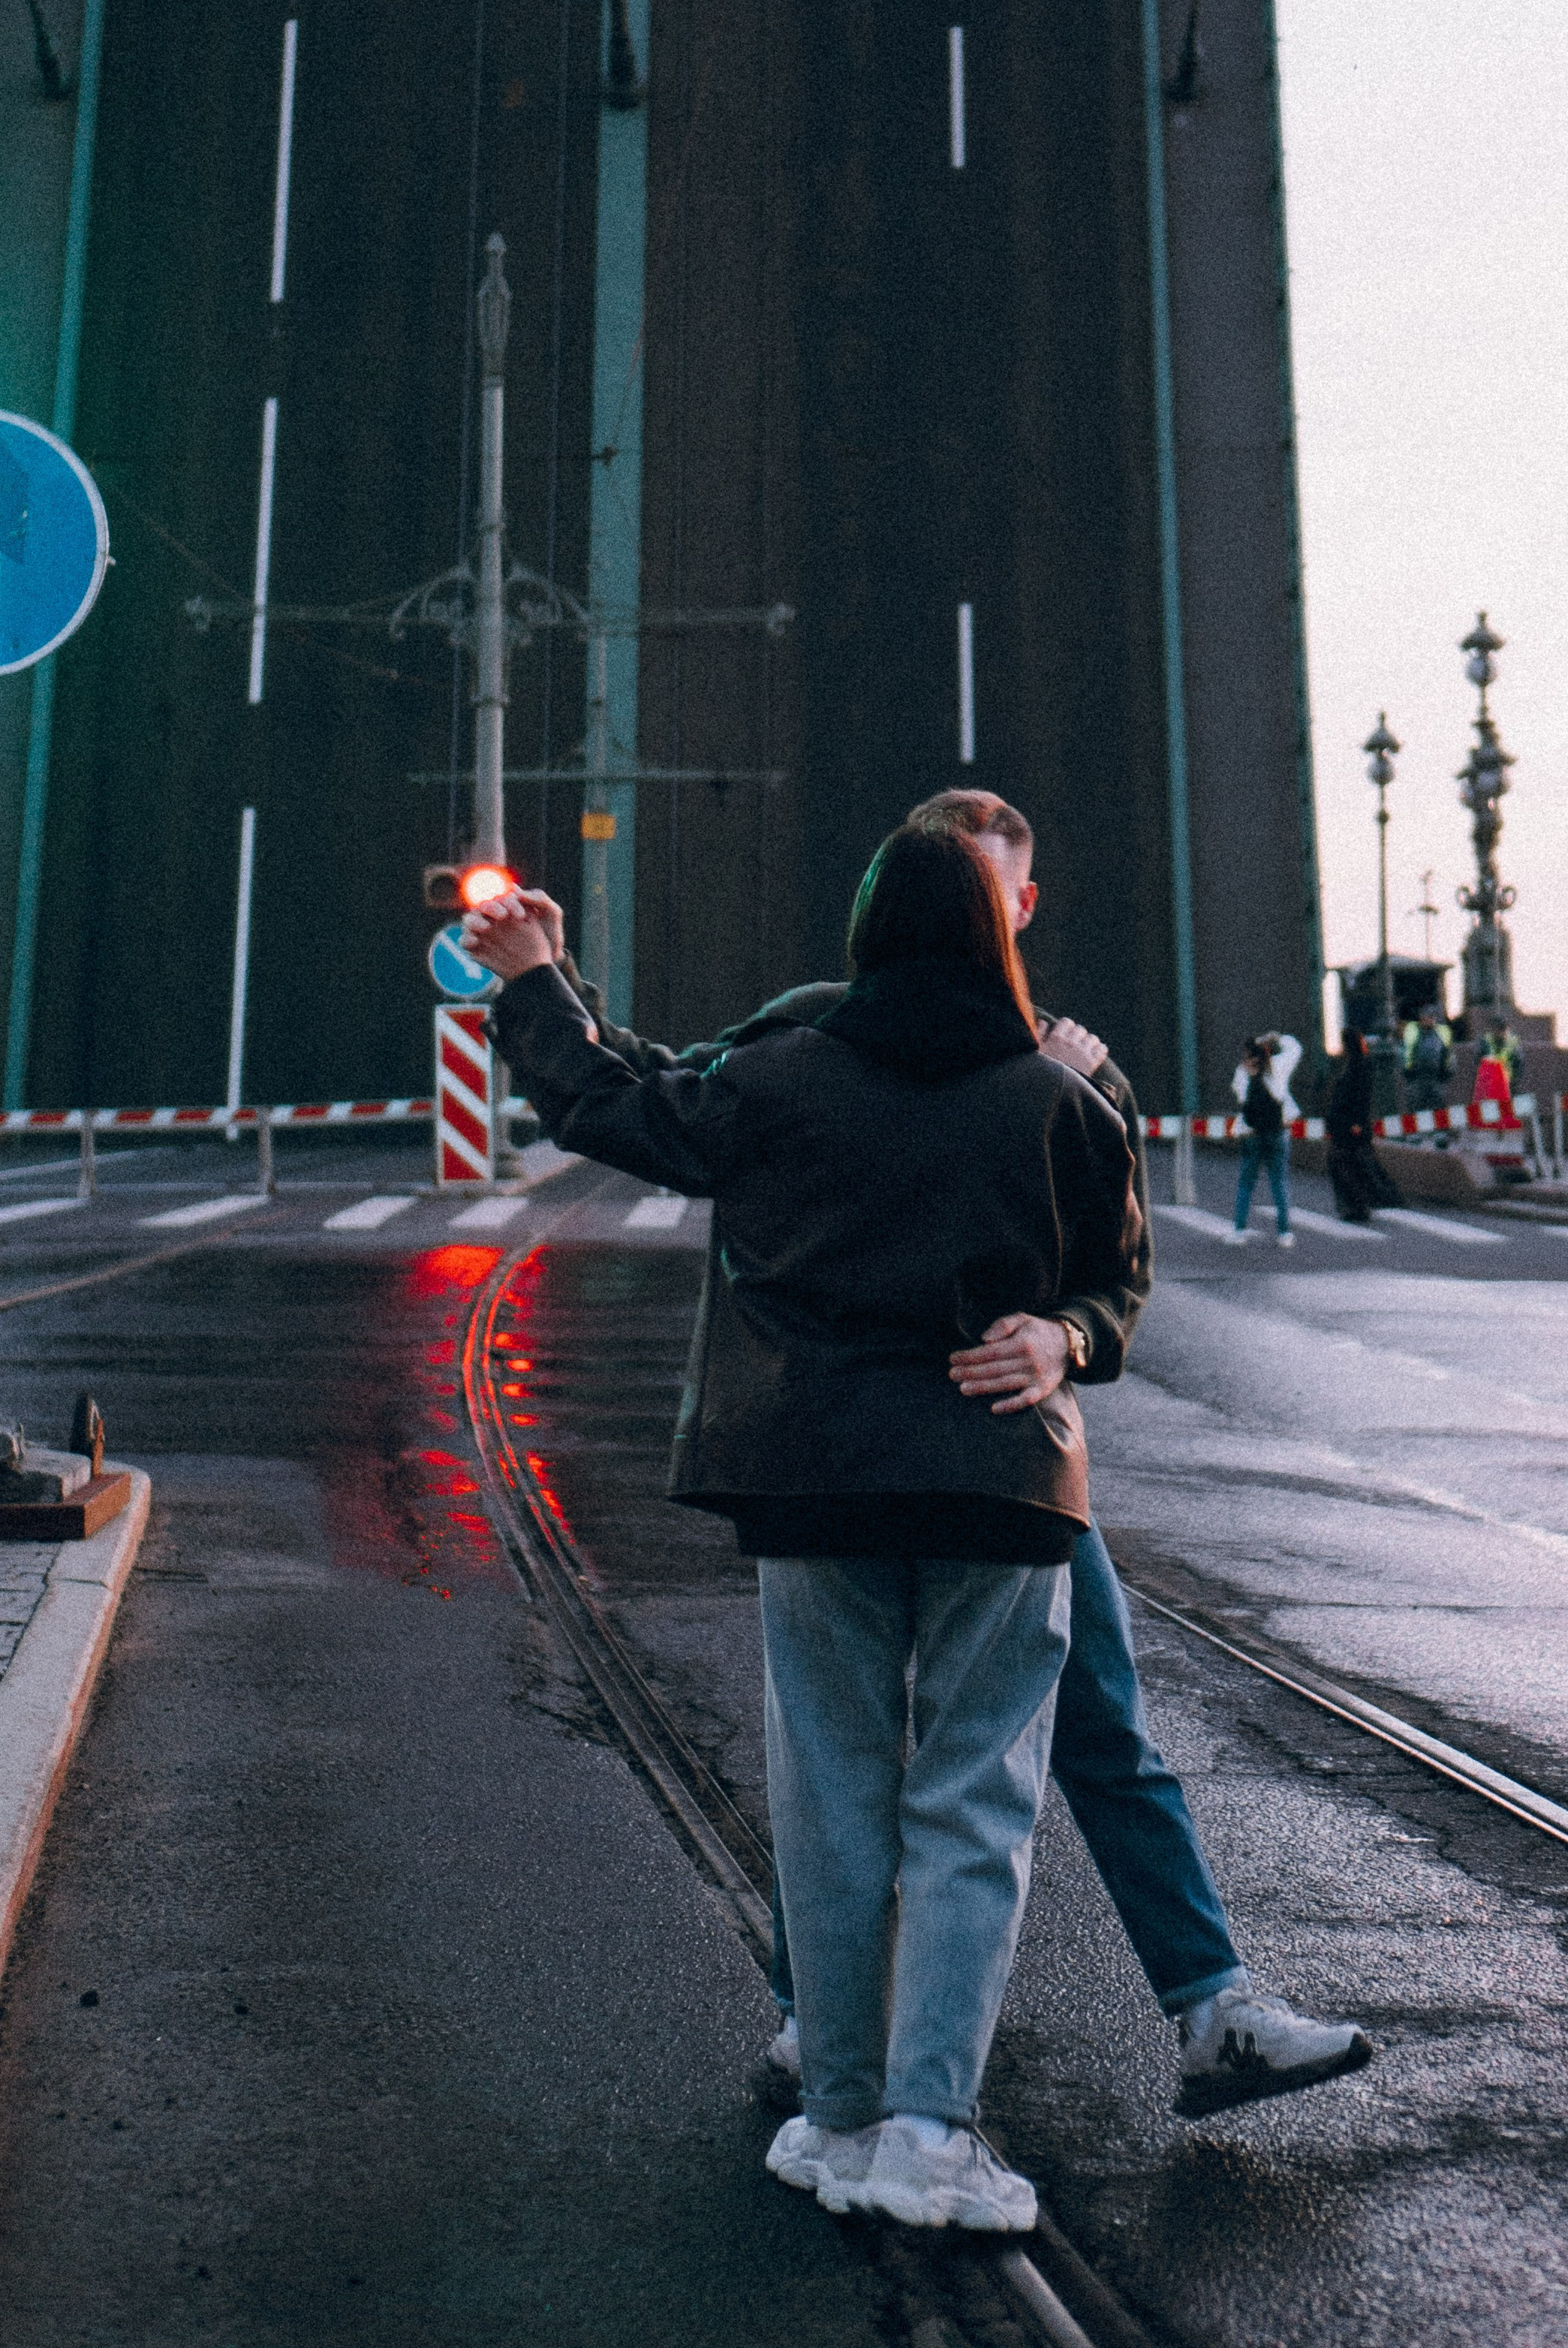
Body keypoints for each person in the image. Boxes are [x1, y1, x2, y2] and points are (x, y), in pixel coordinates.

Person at [510, 787, 1372, 2121]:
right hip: (941, 1470)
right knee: (878, 1779)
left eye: (991, 878)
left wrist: (1066, 1339)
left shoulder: (1070, 1078)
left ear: (1018, 905)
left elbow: (1116, 1278)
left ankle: (1206, 2009)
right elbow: (656, 1086)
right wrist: (553, 984)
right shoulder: (810, 1034)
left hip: (998, 1468)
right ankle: (833, 2028)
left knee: (1070, 1734)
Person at [471, 820, 1137, 2233]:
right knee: (973, 1808)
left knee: (830, 1805)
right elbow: (1117, 1282)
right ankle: (930, 2135)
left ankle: (836, 2119)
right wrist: (1068, 1337)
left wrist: (534, 979)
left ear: (862, 937)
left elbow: (612, 1106)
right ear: (998, 938)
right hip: (996, 1491)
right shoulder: (1063, 1103)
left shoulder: (776, 1080)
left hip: (815, 1480)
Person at [1324, 1025, 1404, 1223]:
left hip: (1349, 1126)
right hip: (1346, 1125)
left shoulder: (1359, 1067)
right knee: (1353, 1166)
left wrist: (1357, 1122)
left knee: (1350, 1167)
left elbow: (1360, 1098)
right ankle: (1358, 1204)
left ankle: (1358, 1205)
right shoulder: (1354, 1065)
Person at [1230, 1031, 1300, 1242]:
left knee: (1246, 1183)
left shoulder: (1242, 1073)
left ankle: (1239, 1230)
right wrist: (1277, 1038)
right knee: (1279, 1181)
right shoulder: (1278, 1066)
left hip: (1252, 1133)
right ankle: (1284, 1232)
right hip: (1277, 1131)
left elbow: (1241, 1098)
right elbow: (1296, 1049)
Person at [1401, 1004, 1453, 1127]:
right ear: (1421, 1018)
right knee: (1415, 1104)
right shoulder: (1413, 1032)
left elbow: (1448, 1055)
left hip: (1436, 1077)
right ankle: (1415, 1131)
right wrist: (1408, 1072)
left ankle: (1441, 1131)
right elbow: (1406, 1053)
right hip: (1417, 1077)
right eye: (1428, 1017)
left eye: (1433, 1017)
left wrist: (1447, 1072)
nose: (1430, 1020)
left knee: (1439, 1104)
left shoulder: (1442, 1033)